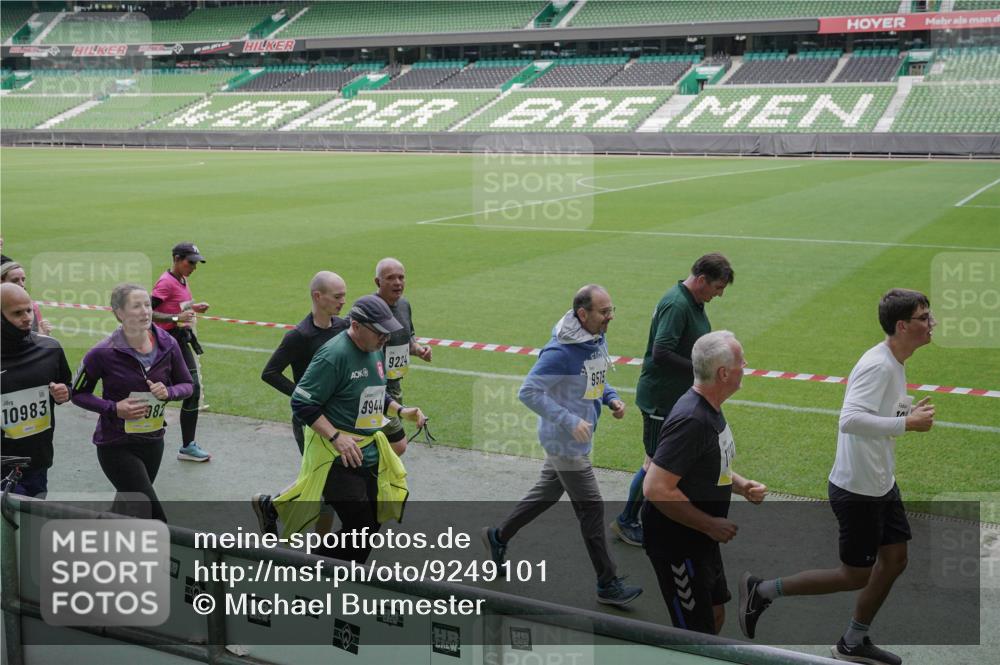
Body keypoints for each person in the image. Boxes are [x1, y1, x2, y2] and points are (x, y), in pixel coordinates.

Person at [739, 289, 936, 665]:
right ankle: (762, 591)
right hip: (858, 489)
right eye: (924, 317)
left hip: (880, 483)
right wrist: (906, 422)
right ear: (902, 325)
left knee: (895, 560)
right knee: (854, 574)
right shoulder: (877, 365)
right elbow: (849, 419)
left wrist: (901, 419)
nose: (932, 324)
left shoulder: (896, 361)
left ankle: (853, 641)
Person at [481, 285, 643, 607]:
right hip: (565, 444)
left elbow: (595, 375)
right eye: (603, 311)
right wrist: (569, 420)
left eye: (612, 310)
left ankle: (498, 537)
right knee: (592, 508)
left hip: (574, 440)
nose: (610, 316)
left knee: (546, 493)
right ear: (583, 314)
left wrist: (610, 398)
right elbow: (528, 392)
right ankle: (607, 583)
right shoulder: (560, 352)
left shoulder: (595, 338)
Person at [253, 295, 427, 562]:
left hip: (366, 452)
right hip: (336, 458)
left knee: (372, 522)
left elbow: (374, 392)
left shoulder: (374, 348)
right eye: (379, 332)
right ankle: (309, 572)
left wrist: (401, 410)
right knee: (361, 528)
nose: (384, 338)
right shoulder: (333, 355)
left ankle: (327, 572)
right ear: (356, 326)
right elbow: (301, 402)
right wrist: (336, 437)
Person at [642, 330, 767, 635]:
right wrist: (709, 524)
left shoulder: (709, 408)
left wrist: (741, 484)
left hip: (699, 537)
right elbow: (656, 487)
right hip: (677, 544)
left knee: (714, 614)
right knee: (693, 634)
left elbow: (705, 463)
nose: (746, 364)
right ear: (723, 373)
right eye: (741, 361)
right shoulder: (692, 420)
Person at [613, 252, 734, 547]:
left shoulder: (693, 302)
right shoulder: (677, 304)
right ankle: (627, 520)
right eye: (717, 287)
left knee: (658, 462)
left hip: (672, 398)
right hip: (660, 400)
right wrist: (701, 369)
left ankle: (651, 517)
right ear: (702, 280)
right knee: (656, 464)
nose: (718, 295)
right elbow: (661, 352)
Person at [72, 283, 194, 522]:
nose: (145, 311)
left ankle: (103, 530)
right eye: (136, 306)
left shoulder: (168, 344)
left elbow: (188, 386)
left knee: (128, 508)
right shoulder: (102, 352)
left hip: (152, 441)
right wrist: (114, 408)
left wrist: (168, 392)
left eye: (147, 305)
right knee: (153, 516)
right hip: (116, 445)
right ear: (119, 313)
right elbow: (77, 393)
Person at [258, 271, 349, 535]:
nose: (343, 301)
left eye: (344, 295)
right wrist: (303, 395)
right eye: (337, 296)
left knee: (325, 483)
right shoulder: (299, 336)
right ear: (317, 297)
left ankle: (273, 508)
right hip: (308, 421)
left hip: (336, 419)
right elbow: (270, 373)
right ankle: (273, 507)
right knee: (325, 483)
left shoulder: (342, 328)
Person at [1, 283, 71, 497]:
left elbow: (67, 385)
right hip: (2, 463)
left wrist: (64, 393)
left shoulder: (50, 348)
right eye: (17, 313)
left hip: (37, 460)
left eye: (29, 310)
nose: (27, 318)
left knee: (33, 523)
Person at [151, 242, 210, 462]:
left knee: (192, 389)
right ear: (176, 259)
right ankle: (150, 420)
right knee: (160, 388)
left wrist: (193, 309)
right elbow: (148, 312)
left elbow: (176, 307)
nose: (194, 266)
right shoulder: (165, 283)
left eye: (196, 262)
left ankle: (187, 446)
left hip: (179, 340)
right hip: (164, 343)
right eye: (190, 262)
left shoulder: (182, 279)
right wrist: (176, 319)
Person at [372, 258, 432, 448]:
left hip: (394, 386)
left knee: (380, 441)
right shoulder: (369, 309)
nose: (398, 282)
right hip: (373, 388)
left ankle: (368, 476)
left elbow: (408, 338)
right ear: (377, 282)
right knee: (398, 444)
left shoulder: (404, 305)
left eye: (401, 277)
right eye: (391, 278)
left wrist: (418, 349)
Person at [1, 261, 52, 335]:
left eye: (23, 279)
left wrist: (44, 335)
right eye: (15, 280)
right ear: (1, 281)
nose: (21, 284)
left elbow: (33, 339)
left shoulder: (31, 306)